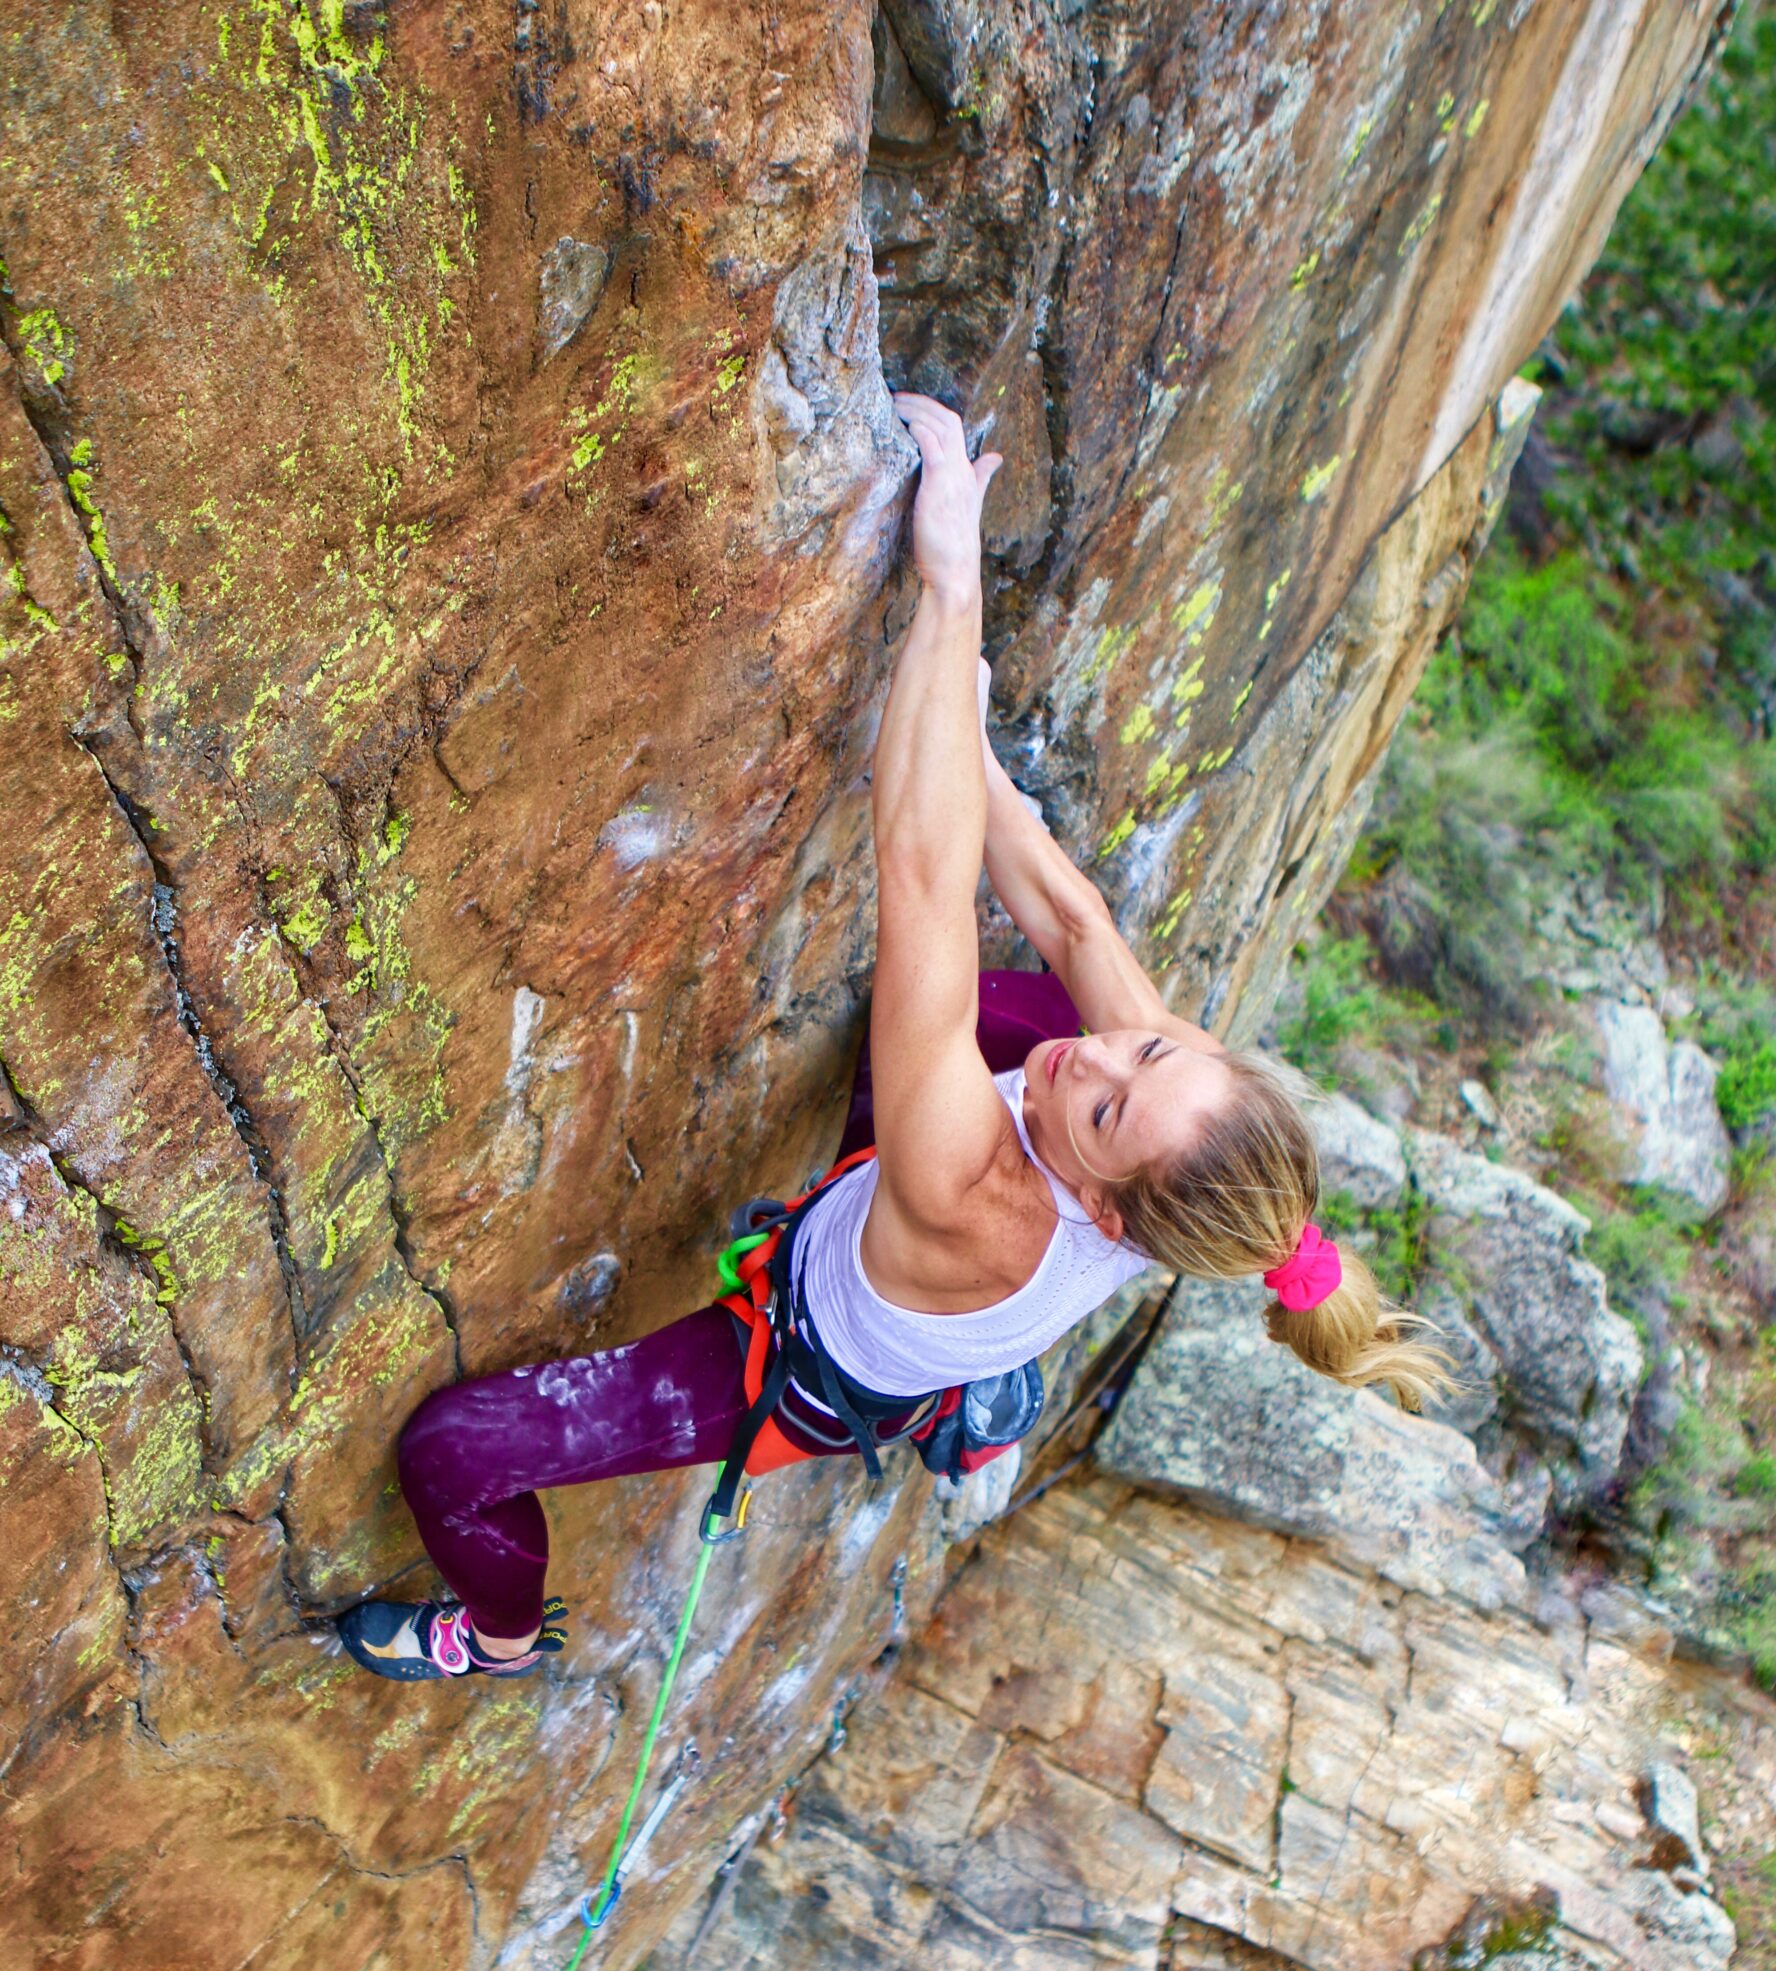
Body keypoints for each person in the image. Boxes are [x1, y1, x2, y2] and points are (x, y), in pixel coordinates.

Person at [336, 395, 1445, 1683]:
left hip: (815, 1353)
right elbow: (1073, 919)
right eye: (1149, 1055)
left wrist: (948, 587)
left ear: (1106, 1213)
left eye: (1103, 1110)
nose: (1101, 1058)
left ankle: (503, 1637)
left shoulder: (975, 1188)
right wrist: (963, 732)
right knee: (1032, 1007)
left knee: (451, 1454)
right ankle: (980, 1384)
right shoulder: (1180, 1119)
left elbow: (923, 875)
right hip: (928, 1234)